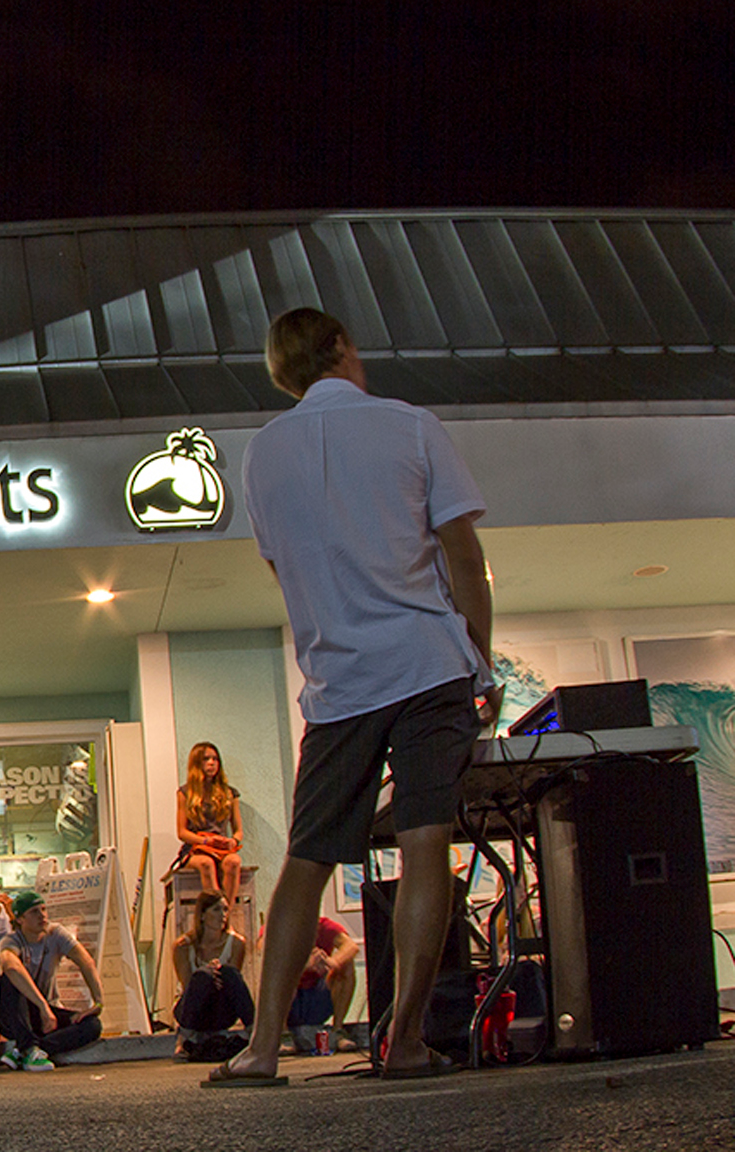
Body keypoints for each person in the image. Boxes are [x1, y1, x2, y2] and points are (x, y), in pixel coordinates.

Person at [214, 307, 497, 1087]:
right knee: (424, 841)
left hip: (339, 682)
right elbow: (463, 555)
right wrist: (480, 658)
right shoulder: (410, 426)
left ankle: (262, 1048)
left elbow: (282, 569)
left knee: (305, 860)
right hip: (426, 664)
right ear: (338, 348)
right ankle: (403, 1039)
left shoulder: (262, 454)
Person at [0, 891, 104, 1071]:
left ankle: (31, 1049)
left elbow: (85, 961)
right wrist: (43, 1006)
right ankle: (28, 1047)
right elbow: (10, 966)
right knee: (9, 978)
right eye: (34, 912)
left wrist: (98, 1003)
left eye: (43, 909)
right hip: (17, 1016)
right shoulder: (11, 940)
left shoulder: (56, 933)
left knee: (92, 1025)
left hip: (46, 1017)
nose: (42, 916)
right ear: (20, 919)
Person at [172, 892, 254, 1059]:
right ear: (202, 915)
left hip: (221, 1009)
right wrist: (206, 975)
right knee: (202, 977)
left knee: (229, 972)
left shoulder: (236, 942)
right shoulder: (183, 945)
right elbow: (188, 987)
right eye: (216, 910)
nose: (223, 915)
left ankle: (255, 1032)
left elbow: (233, 985)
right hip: (193, 1010)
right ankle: (183, 1039)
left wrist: (219, 974)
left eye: (225, 910)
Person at [176, 743, 243, 905]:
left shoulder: (229, 793)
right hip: (196, 848)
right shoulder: (186, 793)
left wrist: (233, 841)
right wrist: (205, 841)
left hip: (221, 848)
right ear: (197, 763)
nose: (212, 763)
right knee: (206, 863)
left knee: (234, 862)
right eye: (206, 759)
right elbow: (182, 832)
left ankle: (227, 916)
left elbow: (238, 831)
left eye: (215, 759)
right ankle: (216, 909)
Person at [284, 916, 359, 1052]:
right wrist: (303, 965)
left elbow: (351, 946)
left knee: (346, 964)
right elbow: (262, 947)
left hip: (317, 999)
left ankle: (338, 1031)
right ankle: (283, 1035)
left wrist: (333, 962)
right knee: (277, 968)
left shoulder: (324, 926)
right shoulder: (281, 924)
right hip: (289, 1004)